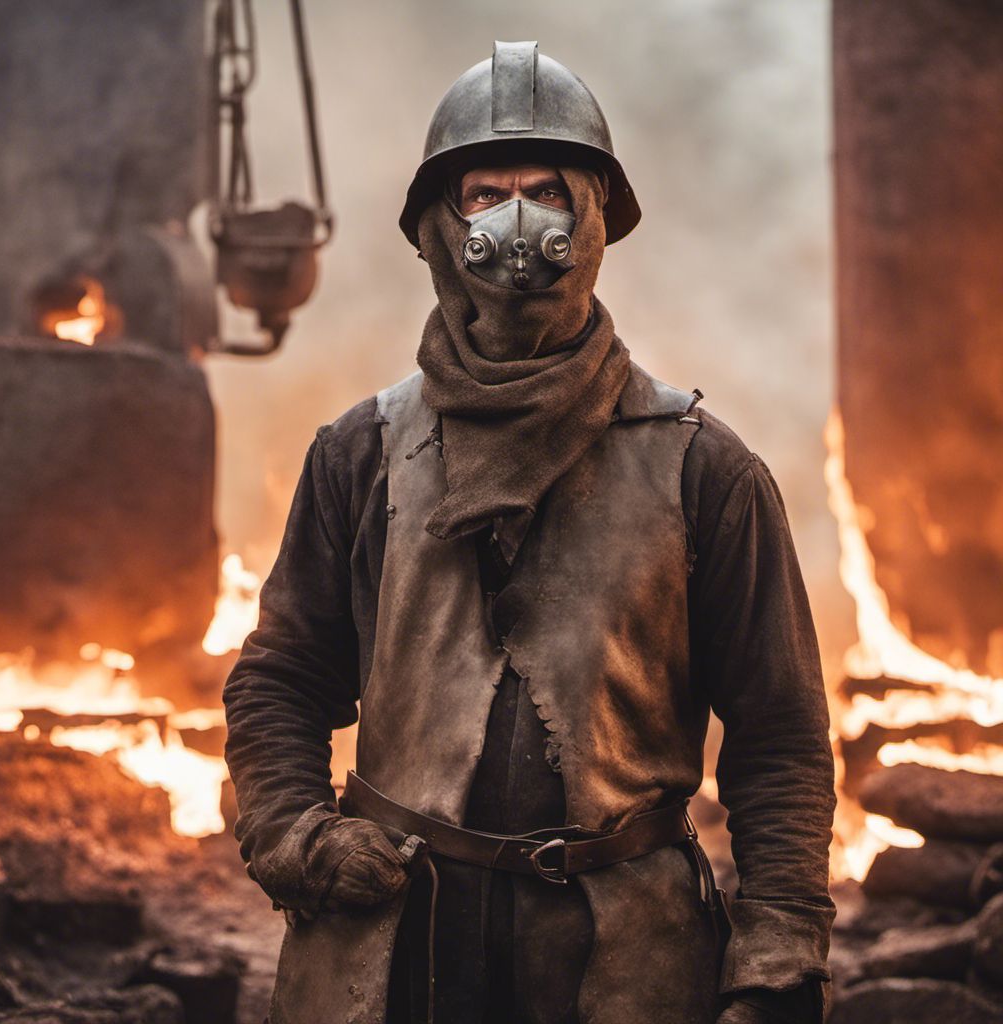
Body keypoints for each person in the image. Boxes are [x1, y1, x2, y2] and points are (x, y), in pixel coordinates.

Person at [223, 40, 836, 1024]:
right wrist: (296, 831)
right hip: (389, 957)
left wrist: (775, 955)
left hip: (629, 963)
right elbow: (282, 676)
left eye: (547, 189)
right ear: (438, 223)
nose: (517, 221)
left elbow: (780, 742)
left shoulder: (704, 471)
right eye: (485, 191)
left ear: (592, 215)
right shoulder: (359, 456)